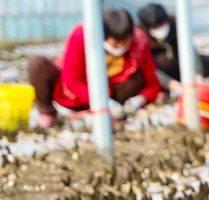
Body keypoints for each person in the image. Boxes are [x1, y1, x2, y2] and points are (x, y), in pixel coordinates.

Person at [27, 8, 162, 129]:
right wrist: (101, 102)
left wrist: (140, 100)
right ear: (102, 36)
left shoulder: (139, 41)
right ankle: (48, 113)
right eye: (115, 45)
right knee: (37, 64)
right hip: (78, 95)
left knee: (136, 79)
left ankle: (116, 117)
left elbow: (153, 83)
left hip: (114, 96)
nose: (121, 48)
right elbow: (72, 80)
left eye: (126, 43)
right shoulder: (81, 35)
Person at [137, 3, 209, 96]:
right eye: (155, 28)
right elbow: (149, 69)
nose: (160, 29)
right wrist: (172, 84)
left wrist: (198, 76)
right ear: (147, 28)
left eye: (162, 25)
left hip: (184, 65)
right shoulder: (141, 38)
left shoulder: (176, 24)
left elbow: (191, 51)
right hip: (160, 74)